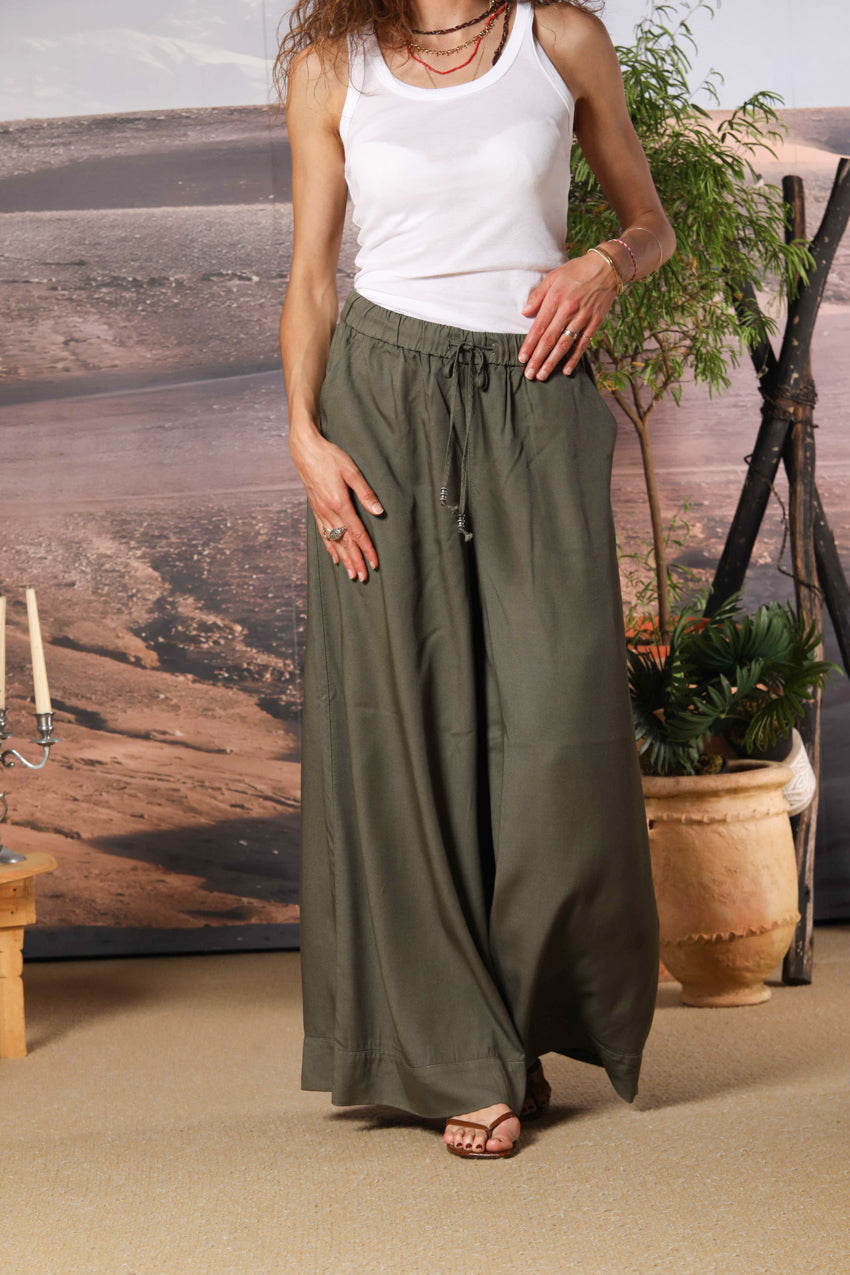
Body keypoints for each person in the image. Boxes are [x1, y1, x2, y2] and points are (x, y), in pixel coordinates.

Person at [278, 0, 674, 1160]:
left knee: (555, 717)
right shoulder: (332, 64)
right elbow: (312, 276)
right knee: (402, 726)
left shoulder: (560, 40)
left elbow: (650, 225)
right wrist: (303, 436)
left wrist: (604, 262)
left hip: (532, 392)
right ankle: (464, 1056)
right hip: (380, 396)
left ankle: (526, 1020)